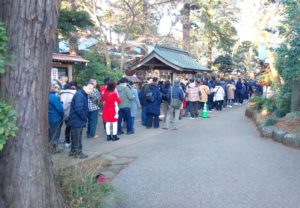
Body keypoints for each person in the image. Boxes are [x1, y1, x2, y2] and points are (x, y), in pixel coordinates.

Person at [68, 82, 94, 159]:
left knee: (75, 136)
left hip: (77, 119)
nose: (91, 90)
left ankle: (73, 152)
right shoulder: (80, 95)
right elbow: (79, 108)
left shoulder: (83, 94)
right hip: (76, 120)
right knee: (77, 137)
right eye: (89, 88)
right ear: (84, 86)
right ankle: (78, 153)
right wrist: (84, 118)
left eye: (92, 89)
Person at [60, 81, 77, 147]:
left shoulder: (62, 93)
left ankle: (67, 141)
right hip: (72, 113)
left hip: (64, 113)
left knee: (67, 128)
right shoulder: (74, 93)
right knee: (73, 128)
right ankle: (73, 142)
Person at [48, 83, 64, 153]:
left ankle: (50, 147)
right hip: (55, 118)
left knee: (50, 133)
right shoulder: (52, 96)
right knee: (55, 134)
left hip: (49, 118)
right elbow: (59, 108)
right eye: (53, 87)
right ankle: (54, 149)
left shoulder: (45, 95)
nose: (54, 88)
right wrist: (63, 115)